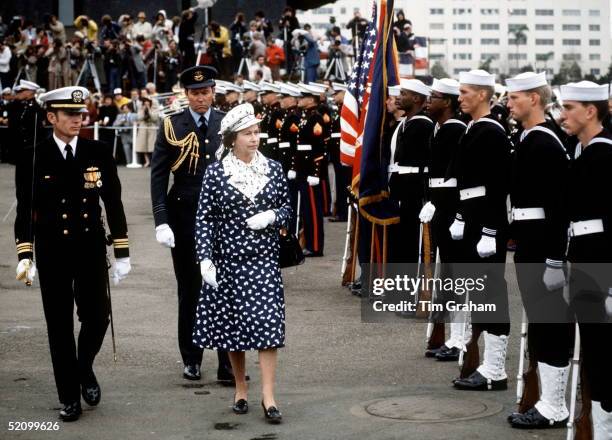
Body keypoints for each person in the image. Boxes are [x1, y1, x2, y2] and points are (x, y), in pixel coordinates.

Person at [14, 86, 131, 422]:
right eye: (69, 115)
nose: (78, 120)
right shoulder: (34, 154)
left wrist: (121, 250)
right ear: (51, 117)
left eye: (81, 114)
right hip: (53, 251)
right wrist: (26, 252)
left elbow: (114, 201)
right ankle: (69, 396)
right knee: (59, 326)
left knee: (97, 317)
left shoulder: (98, 151)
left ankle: (84, 368)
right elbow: (26, 209)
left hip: (90, 247)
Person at [193, 102, 291, 423]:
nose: (254, 138)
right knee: (235, 329)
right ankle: (240, 388)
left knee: (267, 327)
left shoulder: (273, 169)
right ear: (232, 138)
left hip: (263, 260)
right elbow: (204, 218)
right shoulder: (216, 172)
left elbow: (288, 208)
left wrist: (272, 215)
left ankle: (269, 397)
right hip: (229, 260)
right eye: (247, 133)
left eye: (256, 132)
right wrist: (205, 258)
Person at [150, 66, 234, 382]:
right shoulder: (172, 124)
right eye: (195, 93)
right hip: (183, 215)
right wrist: (161, 220)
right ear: (186, 95)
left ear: (214, 92)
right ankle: (192, 358)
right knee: (190, 290)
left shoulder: (228, 122)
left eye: (206, 92)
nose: (201, 98)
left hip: (223, 217)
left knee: (225, 290)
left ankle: (228, 363)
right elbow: (158, 176)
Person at [502, 72, 572, 429]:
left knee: (551, 323)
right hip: (530, 240)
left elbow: (559, 205)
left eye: (514, 98)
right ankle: (546, 400)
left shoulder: (544, 142)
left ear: (534, 99)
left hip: (544, 242)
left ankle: (555, 405)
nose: (509, 103)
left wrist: (554, 258)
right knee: (541, 322)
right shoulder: (527, 138)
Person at [450, 70, 512, 392]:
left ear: (483, 95)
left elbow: (497, 185)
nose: (459, 98)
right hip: (472, 217)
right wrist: (461, 215)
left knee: (491, 293)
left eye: (465, 92)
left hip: (487, 222)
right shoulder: (473, 128)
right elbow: (466, 183)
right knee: (479, 292)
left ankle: (495, 368)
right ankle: (485, 366)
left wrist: (490, 230)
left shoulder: (492, 132)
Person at [559, 81, 612, 439]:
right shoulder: (581, 151)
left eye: (570, 108)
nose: (562, 115)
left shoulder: (605, 154)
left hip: (601, 265)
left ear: (590, 111)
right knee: (594, 351)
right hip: (583, 260)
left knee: (605, 354)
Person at [418, 79, 469, 362]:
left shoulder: (456, 131)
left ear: (447, 102)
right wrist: (430, 200)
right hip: (439, 206)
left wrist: (455, 213)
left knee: (456, 275)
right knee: (446, 275)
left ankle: (460, 339)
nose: (429, 100)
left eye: (434, 96)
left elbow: (460, 178)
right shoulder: (440, 128)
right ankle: (451, 335)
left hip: (452, 209)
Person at [388, 79, 433, 264]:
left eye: (403, 94)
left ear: (416, 98)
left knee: (410, 242)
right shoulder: (406, 123)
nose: (398, 98)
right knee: (399, 242)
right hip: (401, 189)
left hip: (413, 191)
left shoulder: (423, 125)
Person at [135, 95, 159, 167]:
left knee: (152, 145)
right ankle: (147, 161)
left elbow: (155, 118)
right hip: (143, 127)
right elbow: (139, 118)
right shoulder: (141, 109)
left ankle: (153, 161)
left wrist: (149, 109)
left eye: (148, 103)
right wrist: (143, 110)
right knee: (143, 145)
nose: (146, 104)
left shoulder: (154, 109)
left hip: (151, 127)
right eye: (145, 103)